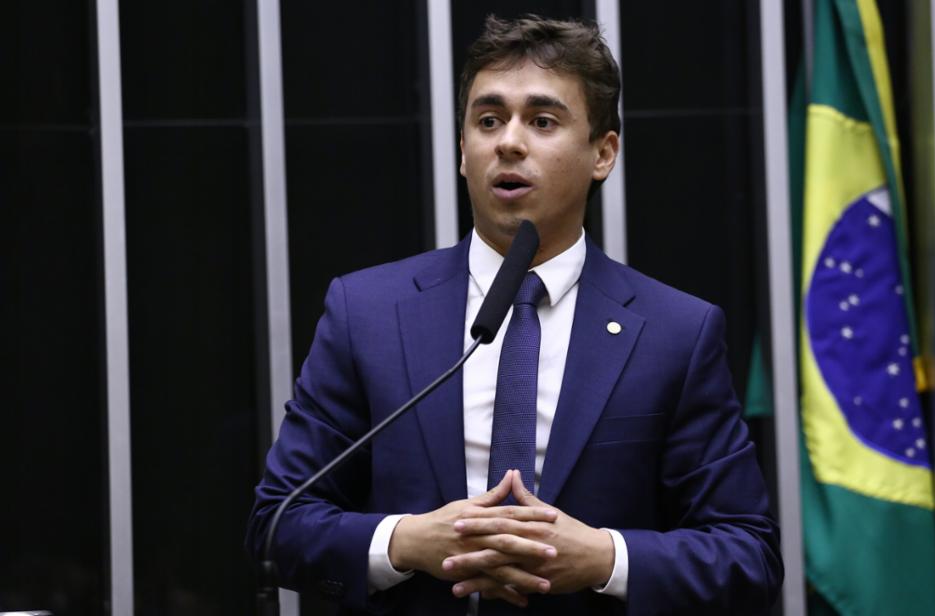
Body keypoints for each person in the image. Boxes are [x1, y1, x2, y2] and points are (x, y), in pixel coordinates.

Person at [247, 14, 782, 615]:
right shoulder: (367, 313)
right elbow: (280, 523)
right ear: (463, 152)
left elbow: (748, 555)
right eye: (488, 120)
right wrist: (408, 542)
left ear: (603, 153)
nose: (508, 142)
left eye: (543, 121)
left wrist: (604, 558)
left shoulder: (676, 332)